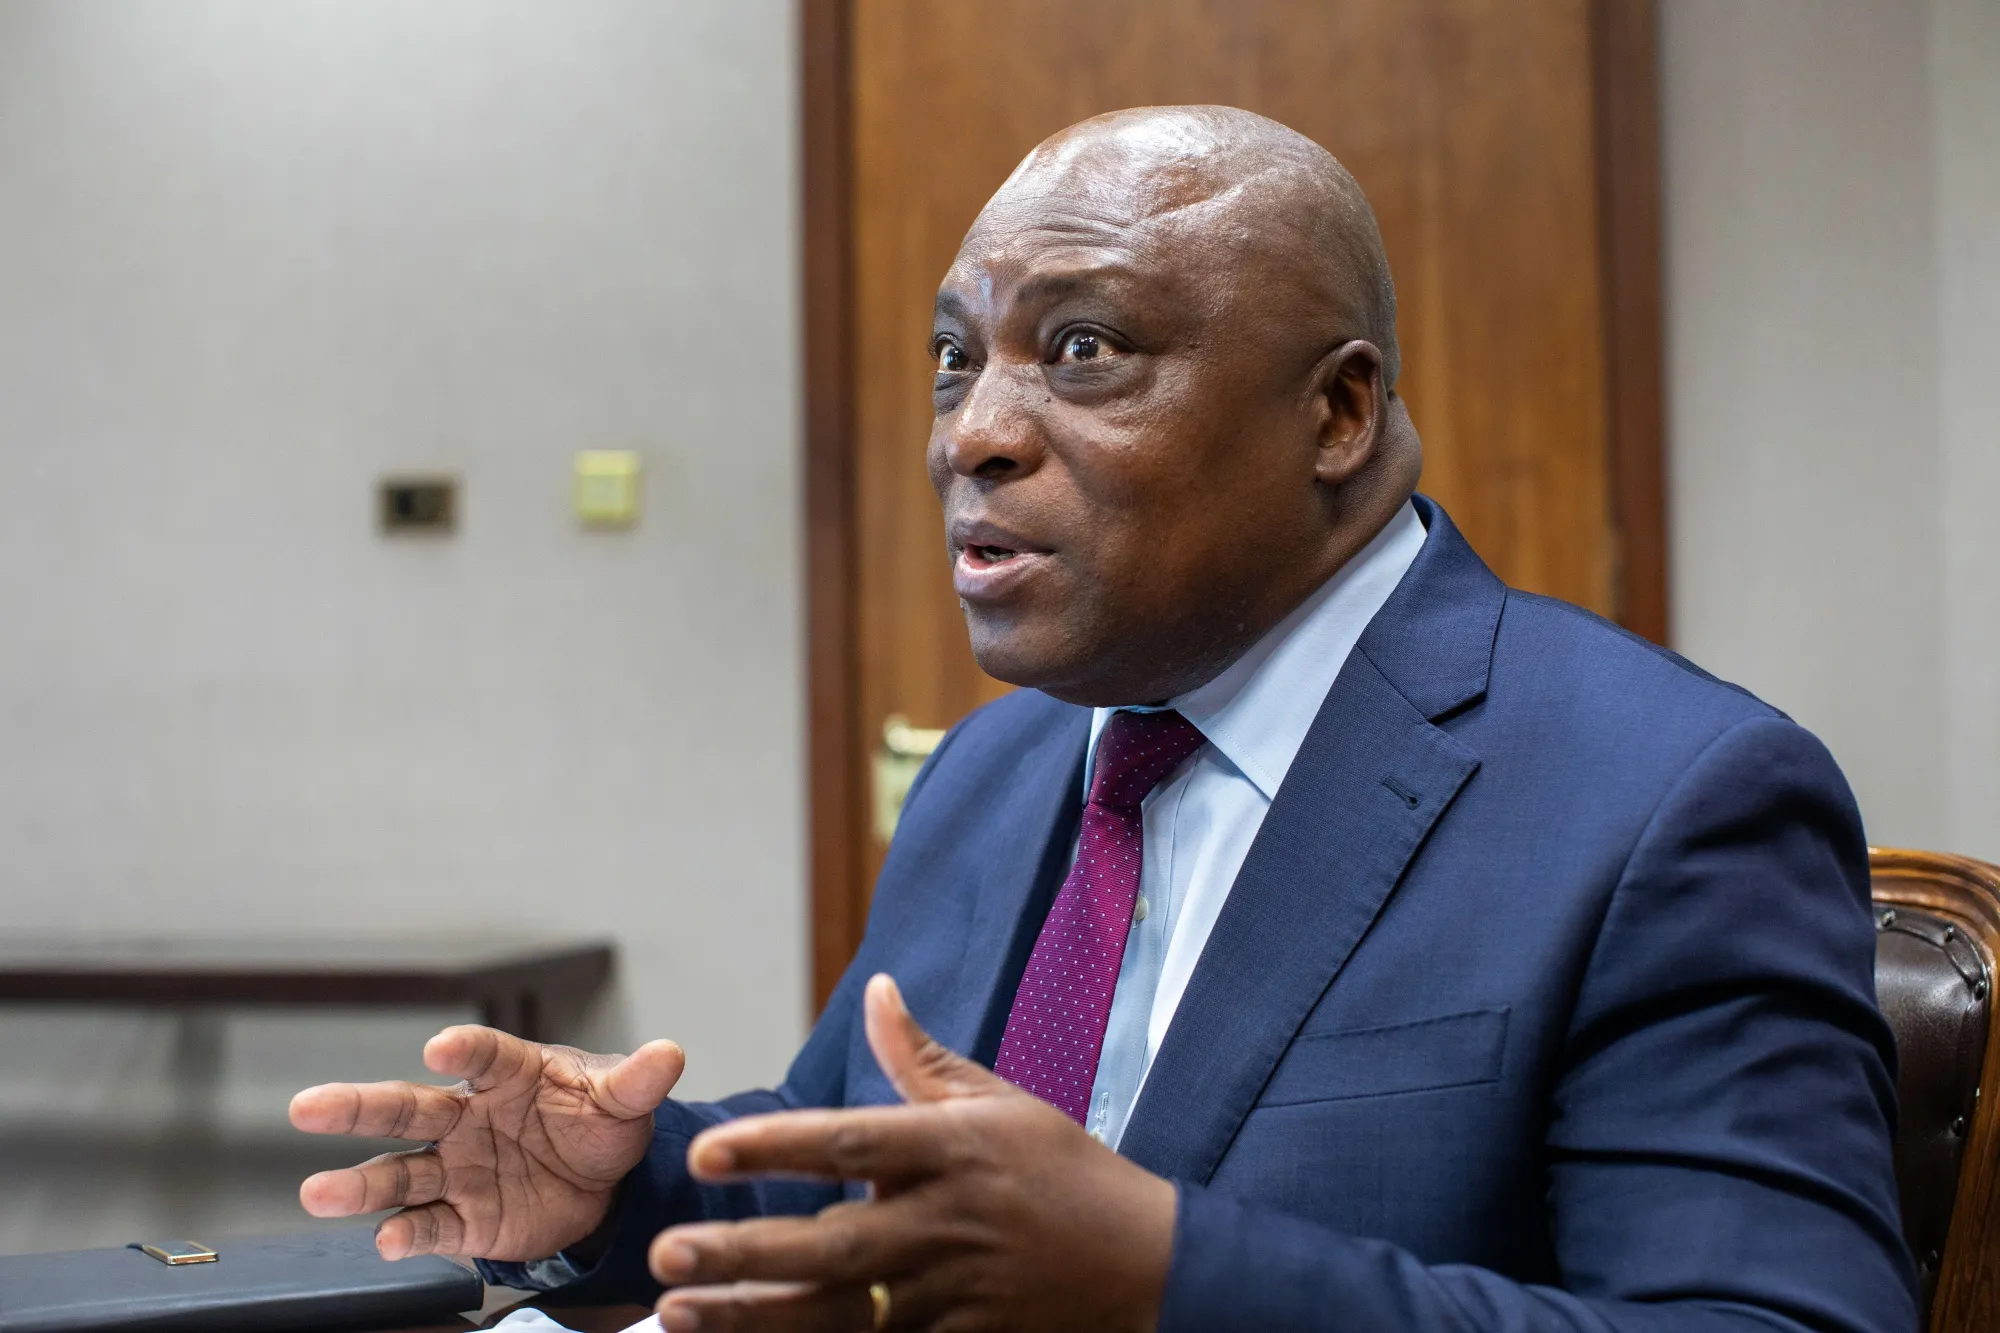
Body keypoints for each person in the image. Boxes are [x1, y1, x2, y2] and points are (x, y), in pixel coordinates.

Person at [290, 106, 1915, 1333]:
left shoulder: (1666, 802)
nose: (974, 434)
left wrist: (1168, 1278)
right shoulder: (1001, 765)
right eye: (955, 359)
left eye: (1084, 349)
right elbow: (868, 1164)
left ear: (1338, 412)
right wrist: (618, 1186)